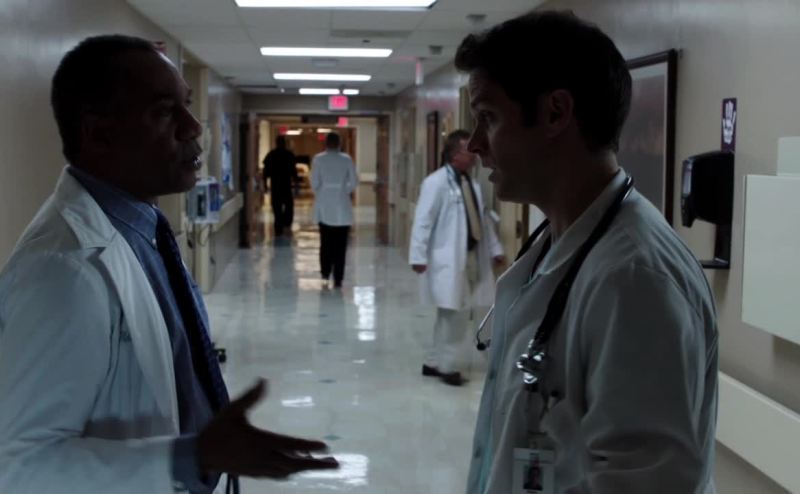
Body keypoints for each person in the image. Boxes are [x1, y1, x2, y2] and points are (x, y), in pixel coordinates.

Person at [0, 35, 337, 493]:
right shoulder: (63, 271)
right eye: (163, 112)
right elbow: (18, 467)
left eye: (187, 105)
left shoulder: (144, 231)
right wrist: (194, 457)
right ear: (99, 134)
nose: (193, 127)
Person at [456, 11, 718, 493]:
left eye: (488, 117)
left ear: (556, 113)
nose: (474, 144)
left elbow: (645, 483)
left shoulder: (635, 279)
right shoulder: (560, 245)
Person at [409, 130, 505, 386]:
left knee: (450, 312)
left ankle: (433, 361)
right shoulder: (436, 182)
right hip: (449, 259)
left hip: (470, 256)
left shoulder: (471, 184)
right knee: (456, 314)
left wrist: (495, 249)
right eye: (468, 151)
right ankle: (448, 367)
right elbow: (423, 221)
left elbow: (482, 220)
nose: (474, 156)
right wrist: (417, 255)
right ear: (454, 154)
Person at [311, 132, 357, 289]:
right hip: (342, 207)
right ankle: (338, 279)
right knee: (340, 246)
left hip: (324, 207)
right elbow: (354, 181)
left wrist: (324, 192)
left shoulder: (318, 159)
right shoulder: (346, 159)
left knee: (325, 244)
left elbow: (314, 183)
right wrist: (343, 190)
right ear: (339, 143)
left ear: (325, 143)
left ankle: (325, 275)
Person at [262, 135, 298, 237]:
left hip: (276, 186)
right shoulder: (289, 155)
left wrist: (265, 185)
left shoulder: (271, 155)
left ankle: (279, 227)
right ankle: (286, 224)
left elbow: (265, 172)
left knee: (277, 208)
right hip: (285, 186)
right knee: (288, 207)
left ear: (276, 143)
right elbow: (294, 172)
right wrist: (296, 185)